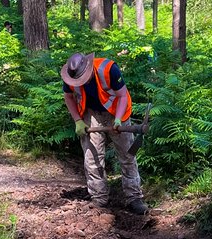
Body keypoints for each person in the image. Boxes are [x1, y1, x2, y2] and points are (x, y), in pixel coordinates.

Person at [61, 52, 149, 215]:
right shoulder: (70, 76)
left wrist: (118, 120)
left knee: (127, 156)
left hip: (117, 111)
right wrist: (77, 120)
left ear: (89, 68)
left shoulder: (108, 69)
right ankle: (99, 199)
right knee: (92, 158)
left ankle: (134, 197)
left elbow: (122, 95)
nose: (81, 82)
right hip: (90, 113)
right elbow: (68, 97)